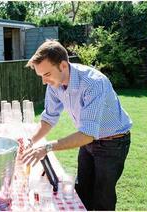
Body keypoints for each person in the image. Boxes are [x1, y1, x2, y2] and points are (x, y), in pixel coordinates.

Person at [21, 40, 132, 210]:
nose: (44, 81)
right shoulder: (54, 84)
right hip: (88, 141)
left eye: (47, 74)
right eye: (41, 76)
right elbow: (49, 118)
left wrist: (47, 147)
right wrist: (32, 140)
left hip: (113, 143)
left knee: (103, 198)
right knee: (82, 193)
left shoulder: (93, 83)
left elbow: (87, 134)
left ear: (63, 66)